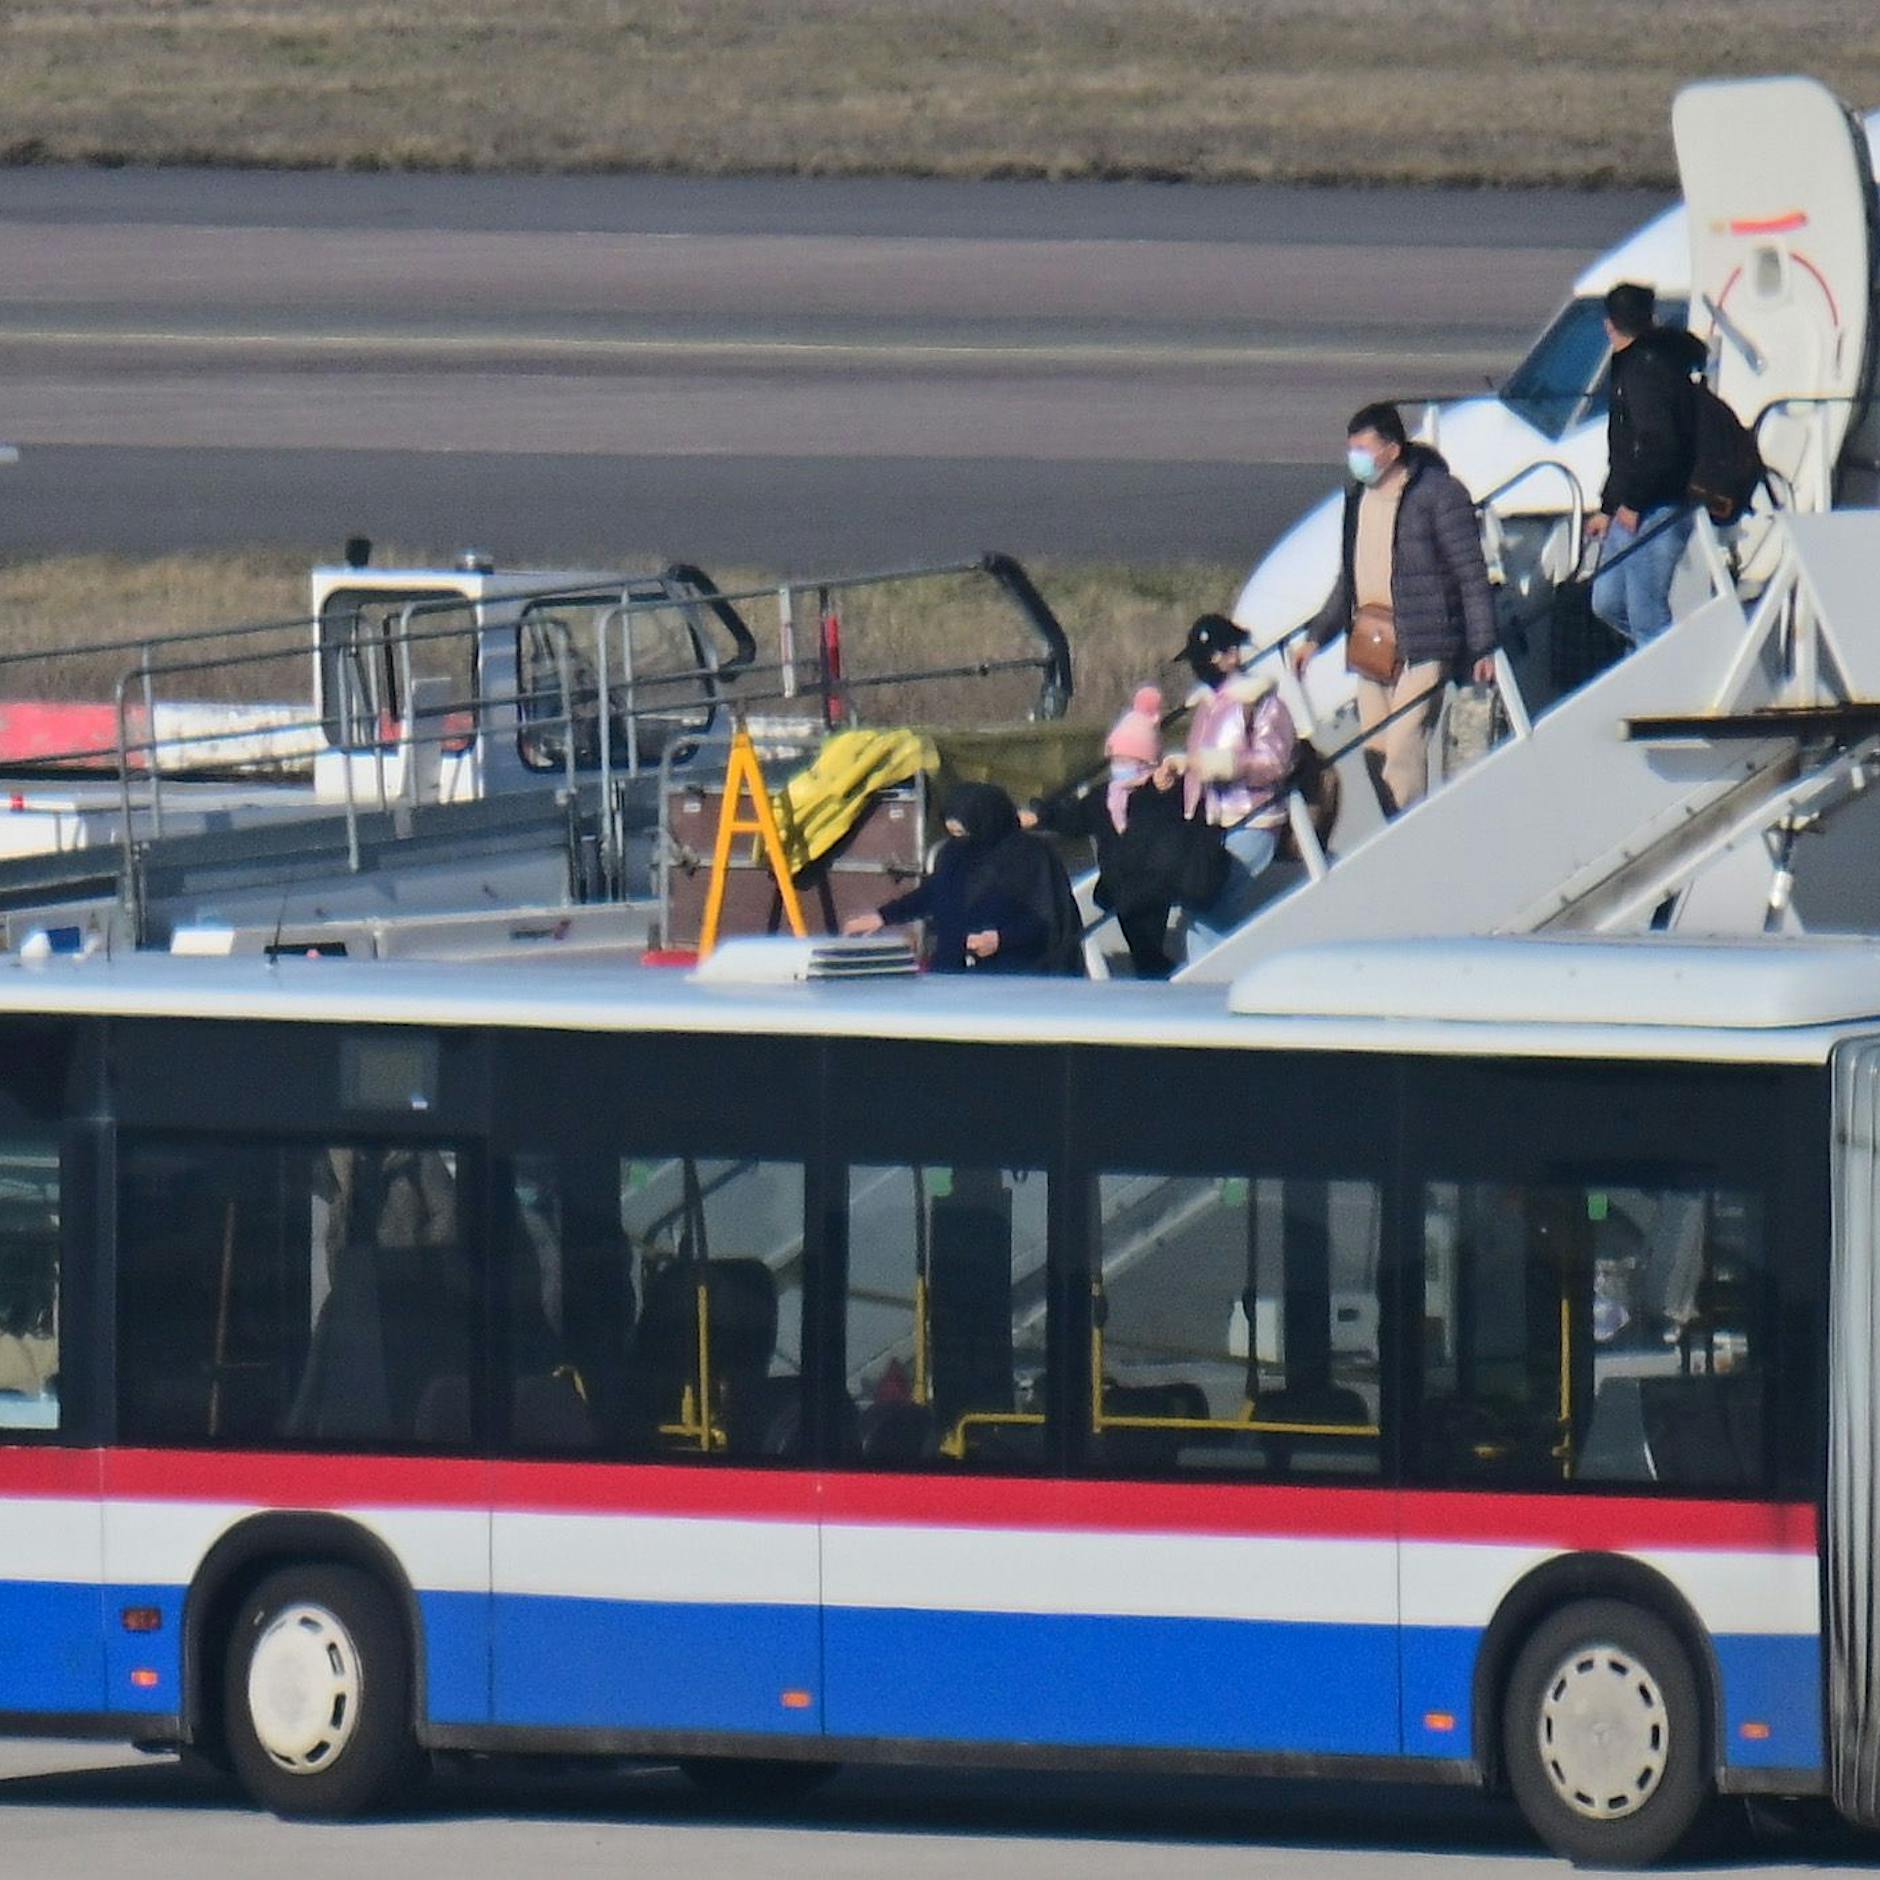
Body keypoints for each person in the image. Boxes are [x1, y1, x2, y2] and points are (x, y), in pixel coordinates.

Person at [1292, 402, 1498, 817]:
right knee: (1375, 749)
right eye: (1352, 448)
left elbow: (1470, 574)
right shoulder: (1358, 498)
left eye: (1363, 448)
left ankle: (1410, 834)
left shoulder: (1439, 495)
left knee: (1404, 746)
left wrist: (1483, 645)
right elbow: (1347, 580)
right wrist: (1317, 637)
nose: (1356, 458)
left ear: (1391, 449)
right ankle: (1398, 822)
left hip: (1424, 640)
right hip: (1371, 641)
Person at [1023, 684, 1186, 979]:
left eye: (1128, 759)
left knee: (1147, 939)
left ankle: (1157, 973)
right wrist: (1041, 814)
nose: (1120, 766)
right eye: (1117, 759)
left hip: (1152, 883)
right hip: (1119, 882)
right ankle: (1153, 972)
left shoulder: (1161, 793)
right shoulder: (1103, 797)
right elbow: (1073, 819)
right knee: (1137, 939)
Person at [845, 781, 1083, 975]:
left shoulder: (1031, 857)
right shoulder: (953, 853)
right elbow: (934, 893)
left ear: (985, 823)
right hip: (953, 969)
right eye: (954, 834)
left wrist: (1001, 940)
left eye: (964, 832)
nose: (960, 840)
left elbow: (1049, 919)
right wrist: (883, 916)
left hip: (1018, 974)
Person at [1162, 615, 1296, 950]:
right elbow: (1199, 764)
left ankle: (1208, 985)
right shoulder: (1208, 706)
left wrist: (1225, 765)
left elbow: (1276, 762)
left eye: (1212, 656)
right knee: (1200, 905)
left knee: (1209, 908)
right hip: (1210, 825)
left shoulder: (1262, 702)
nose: (1205, 666)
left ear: (1233, 654)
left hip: (1253, 820)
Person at [1586, 282, 1706, 646]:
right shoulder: (1631, 365)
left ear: (1610, 325)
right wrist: (1608, 507)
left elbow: (1659, 444)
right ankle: (1651, 659)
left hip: (1658, 505)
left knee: (1646, 613)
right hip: (1630, 503)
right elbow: (1625, 451)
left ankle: (1661, 684)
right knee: (1606, 602)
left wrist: (1634, 503)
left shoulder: (1647, 369)